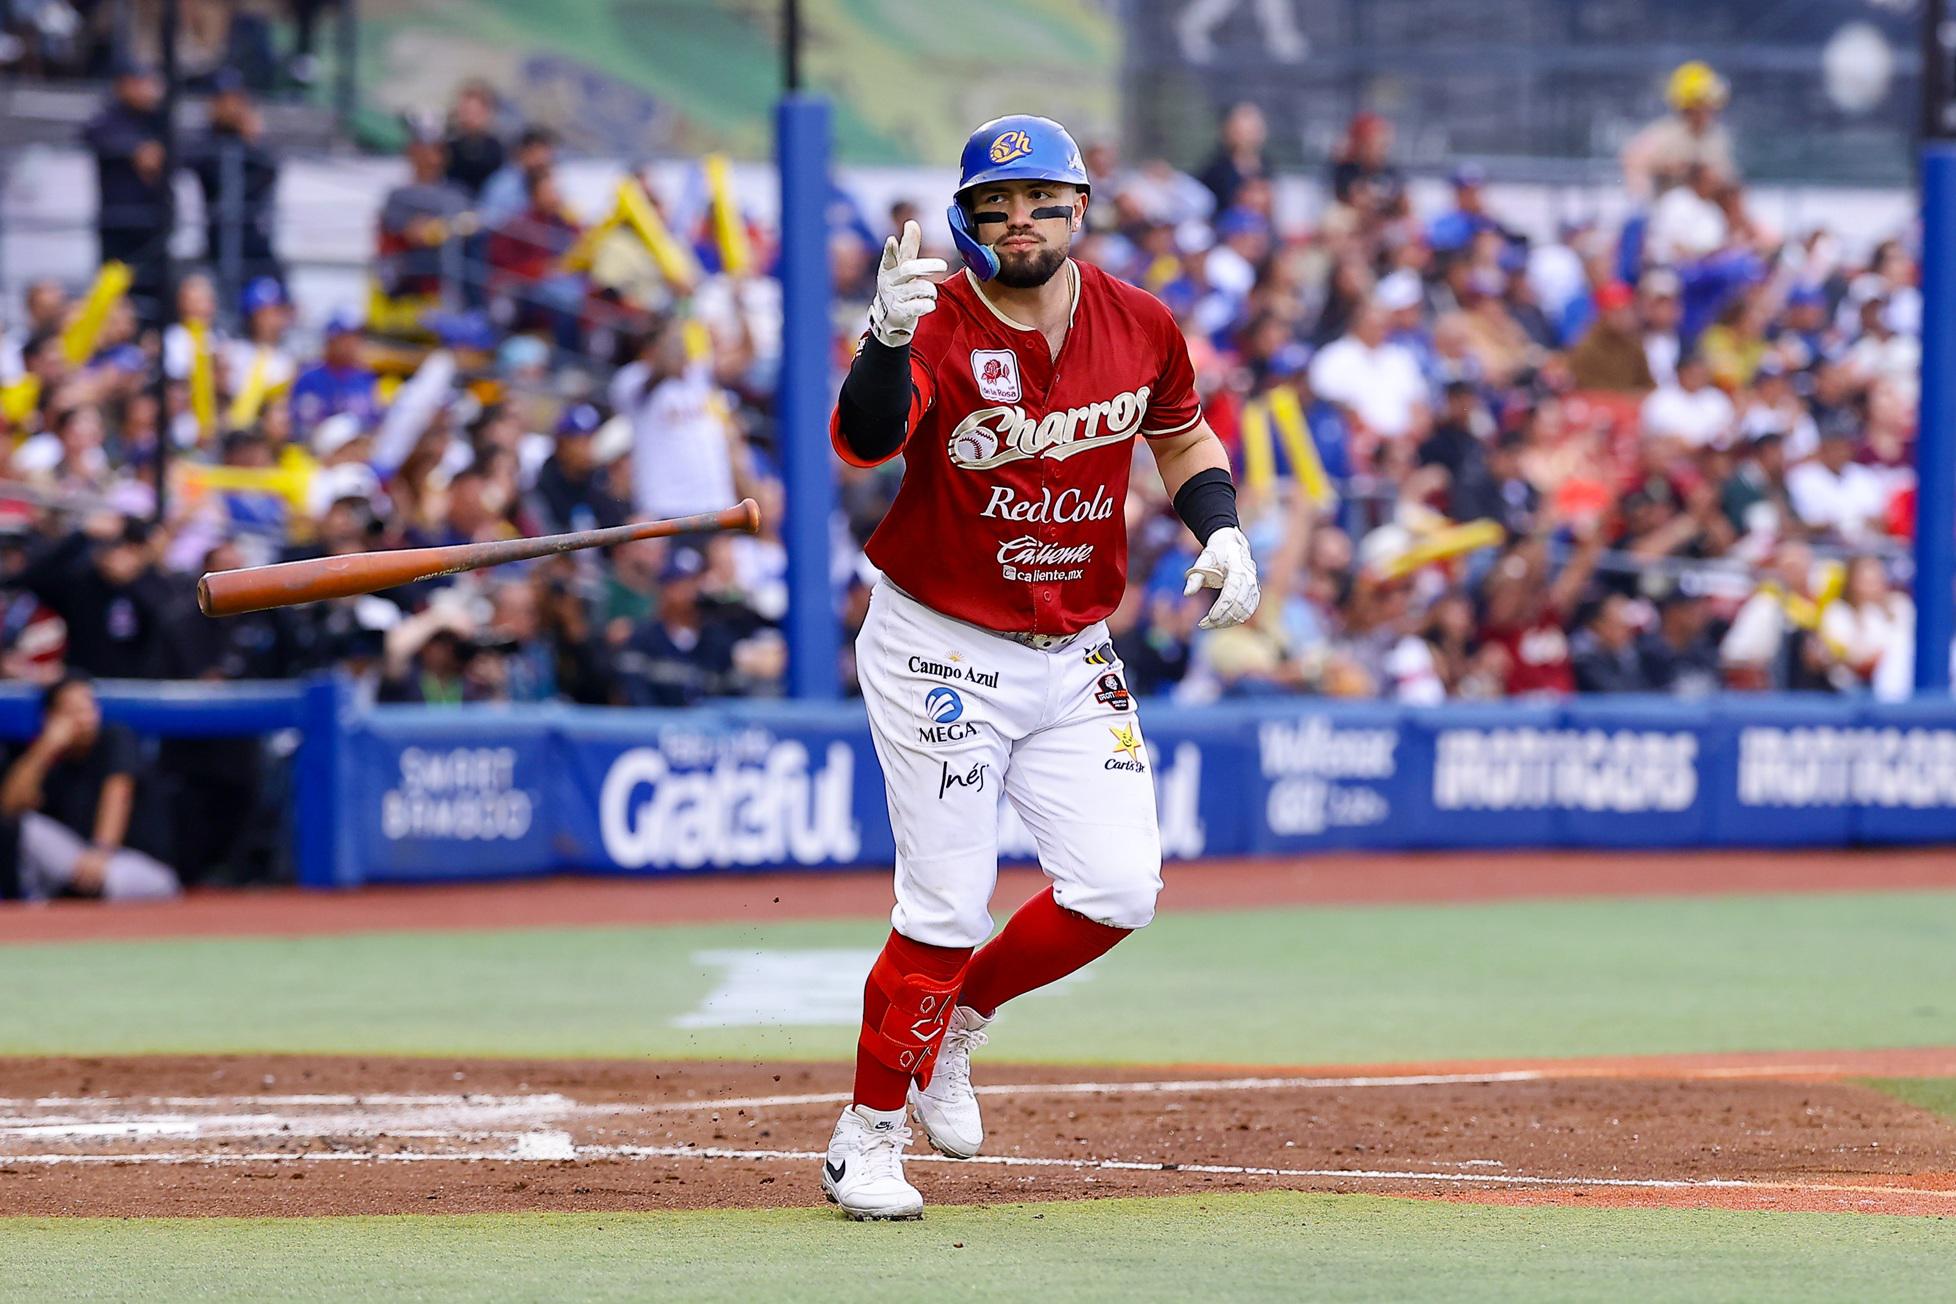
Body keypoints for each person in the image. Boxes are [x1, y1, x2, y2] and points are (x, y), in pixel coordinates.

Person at [821, 114, 1259, 1220]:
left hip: (1073, 646)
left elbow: (1181, 435)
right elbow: (867, 443)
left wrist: (1222, 526)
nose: (1020, 219)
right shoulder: (939, 320)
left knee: (1119, 889)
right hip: (941, 642)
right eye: (995, 205)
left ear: (1078, 210)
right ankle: (866, 1134)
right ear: (968, 220)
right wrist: (880, 338)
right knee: (944, 904)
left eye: (1042, 201)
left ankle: (958, 1022)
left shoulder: (1140, 320)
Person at [0, 675, 179, 902]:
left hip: (138, 865)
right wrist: (45, 747)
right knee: (18, 825)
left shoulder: (115, 737)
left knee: (104, 879)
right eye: (74, 711)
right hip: (81, 862)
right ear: (52, 718)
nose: (85, 718)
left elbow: (118, 792)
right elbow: (9, 807)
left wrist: (101, 850)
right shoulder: (54, 762)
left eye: (89, 708)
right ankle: (31, 915)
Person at [81, 58, 170, 320]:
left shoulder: (158, 120)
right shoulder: (109, 119)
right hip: (118, 226)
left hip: (154, 224)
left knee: (157, 296)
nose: (148, 89)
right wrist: (134, 150)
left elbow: (185, 151)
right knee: (115, 295)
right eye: (140, 83)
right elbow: (91, 134)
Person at [186, 67, 282, 295]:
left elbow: (269, 174)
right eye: (223, 100)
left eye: (235, 99)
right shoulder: (205, 139)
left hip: (254, 236)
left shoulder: (252, 141)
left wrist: (255, 143)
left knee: (274, 293)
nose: (230, 106)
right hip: (218, 237)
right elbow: (193, 164)